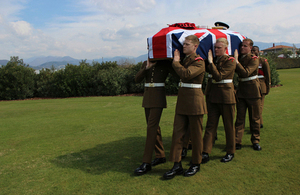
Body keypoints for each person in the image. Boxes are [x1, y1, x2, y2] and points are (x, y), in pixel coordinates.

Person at [163, 35, 207, 179]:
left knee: (195, 135)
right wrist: (172, 63)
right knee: (177, 134)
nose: (184, 46)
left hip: (195, 102)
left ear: (195, 46)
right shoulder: (185, 61)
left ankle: (196, 163)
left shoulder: (199, 62)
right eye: (184, 44)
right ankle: (177, 165)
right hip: (183, 101)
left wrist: (176, 62)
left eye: (187, 44)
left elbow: (186, 74)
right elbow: (178, 75)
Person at [134, 58, 175, 176]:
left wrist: (175, 63)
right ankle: (160, 155)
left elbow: (178, 76)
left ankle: (146, 162)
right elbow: (137, 79)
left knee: (151, 128)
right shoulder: (145, 63)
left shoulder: (166, 63)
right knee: (153, 127)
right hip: (147, 97)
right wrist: (146, 68)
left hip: (158, 98)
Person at [202, 38, 237, 163]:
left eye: (219, 48)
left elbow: (219, 76)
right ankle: (205, 151)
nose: (216, 50)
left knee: (228, 126)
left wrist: (211, 63)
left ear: (225, 48)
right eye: (215, 47)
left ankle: (230, 151)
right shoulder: (213, 61)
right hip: (213, 97)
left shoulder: (231, 61)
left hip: (226, 97)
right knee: (210, 125)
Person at [234, 38, 262, 151]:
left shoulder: (254, 59)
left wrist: (236, 62)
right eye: (241, 46)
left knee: (254, 118)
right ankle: (237, 141)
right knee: (239, 118)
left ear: (251, 48)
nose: (242, 48)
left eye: (245, 46)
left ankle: (255, 140)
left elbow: (246, 73)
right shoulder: (239, 58)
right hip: (241, 91)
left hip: (253, 91)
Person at [251, 46, 271, 128]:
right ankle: (259, 123)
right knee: (255, 106)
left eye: (254, 51)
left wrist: (268, 86)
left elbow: (268, 75)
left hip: (261, 84)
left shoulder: (262, 61)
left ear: (258, 51)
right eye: (252, 51)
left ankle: (258, 123)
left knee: (260, 106)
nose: (253, 52)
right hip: (252, 85)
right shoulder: (250, 61)